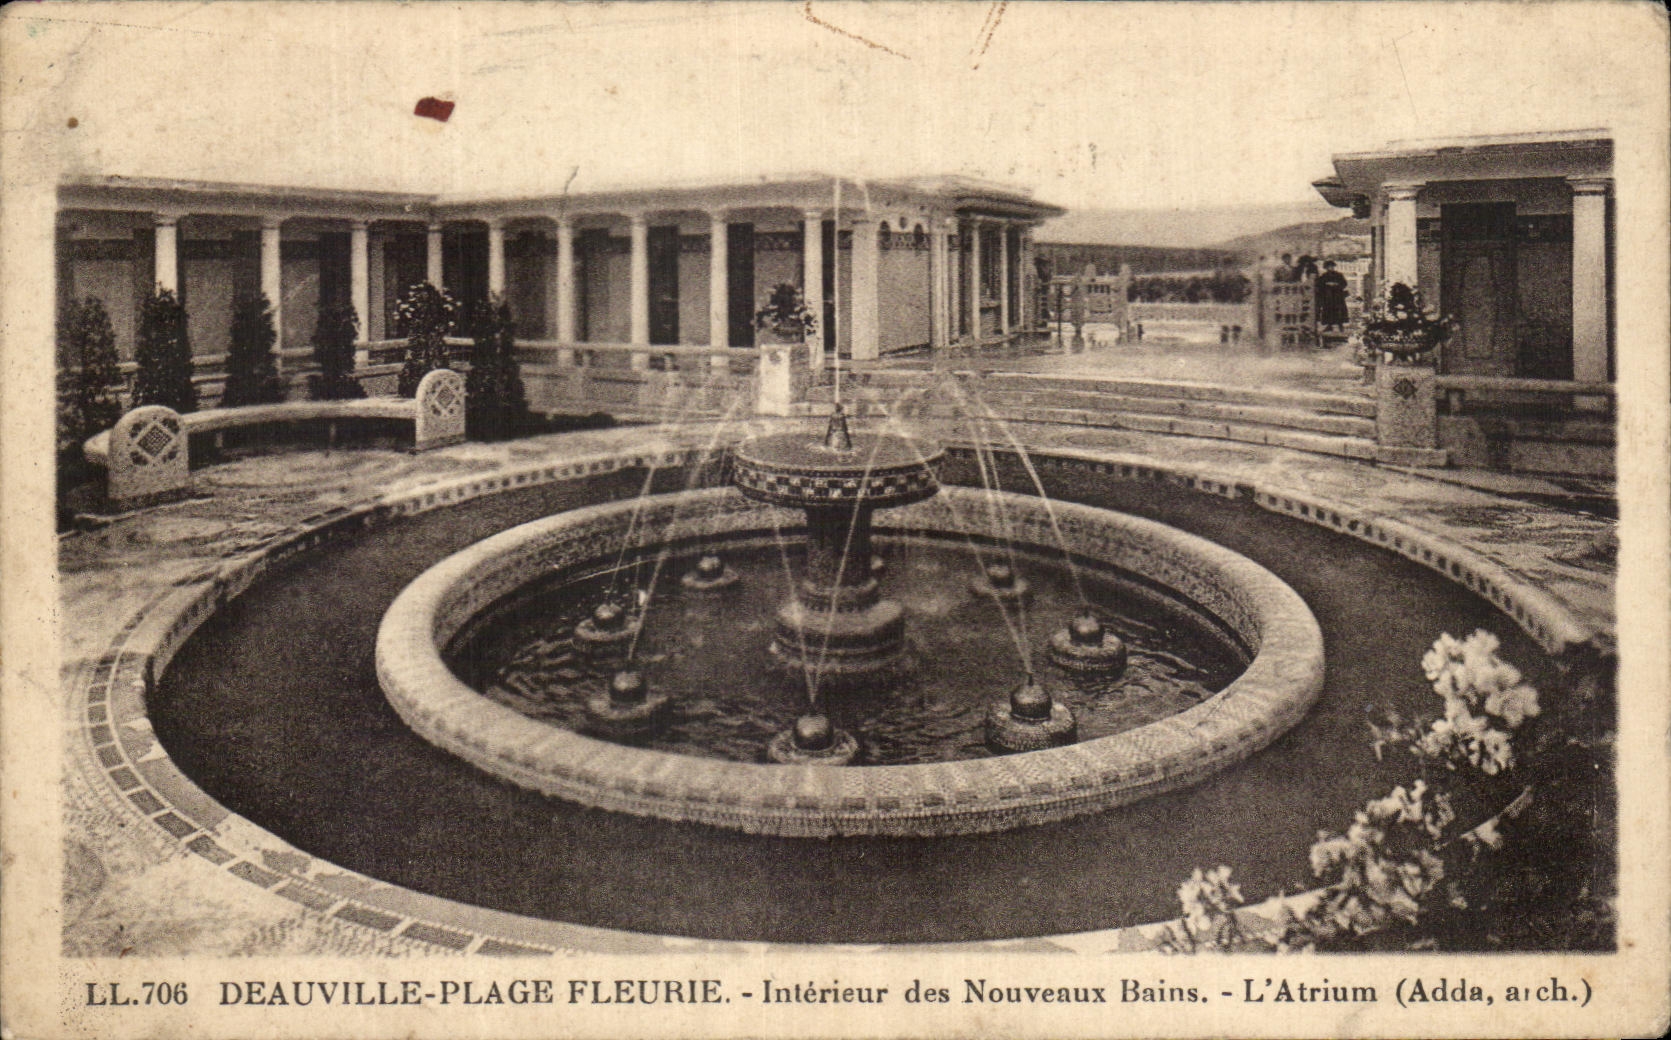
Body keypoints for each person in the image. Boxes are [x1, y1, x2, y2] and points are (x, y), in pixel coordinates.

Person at [1315, 260, 1350, 331]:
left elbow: (1344, 283)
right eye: (1329, 267)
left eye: (1332, 266)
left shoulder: (1338, 275)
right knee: (1328, 310)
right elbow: (1319, 285)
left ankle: (1340, 325)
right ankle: (1329, 325)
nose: (1330, 268)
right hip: (1328, 297)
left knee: (1339, 311)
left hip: (1337, 296)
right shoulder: (1324, 276)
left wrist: (1336, 285)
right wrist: (1327, 285)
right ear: (1326, 268)